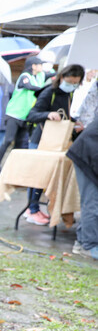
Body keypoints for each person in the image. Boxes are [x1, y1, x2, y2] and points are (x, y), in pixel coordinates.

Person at [25, 64, 85, 226]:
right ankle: (32, 209)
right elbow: (31, 115)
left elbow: (65, 115)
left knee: (46, 177)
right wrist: (48, 114)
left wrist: (74, 123)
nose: (72, 85)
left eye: (75, 83)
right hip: (41, 140)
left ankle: (35, 209)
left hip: (57, 143)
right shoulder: (48, 92)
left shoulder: (69, 94)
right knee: (37, 177)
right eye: (70, 82)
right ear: (61, 78)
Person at [0, 56, 45, 176]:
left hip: (25, 116)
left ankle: (12, 169)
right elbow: (29, 87)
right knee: (8, 140)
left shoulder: (37, 77)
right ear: (33, 66)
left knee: (19, 145)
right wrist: (42, 90)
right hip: (14, 114)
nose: (42, 67)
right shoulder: (25, 76)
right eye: (40, 64)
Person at [66, 108, 98, 259]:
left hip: (90, 153)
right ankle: (89, 246)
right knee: (92, 202)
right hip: (87, 155)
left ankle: (81, 241)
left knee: (91, 202)